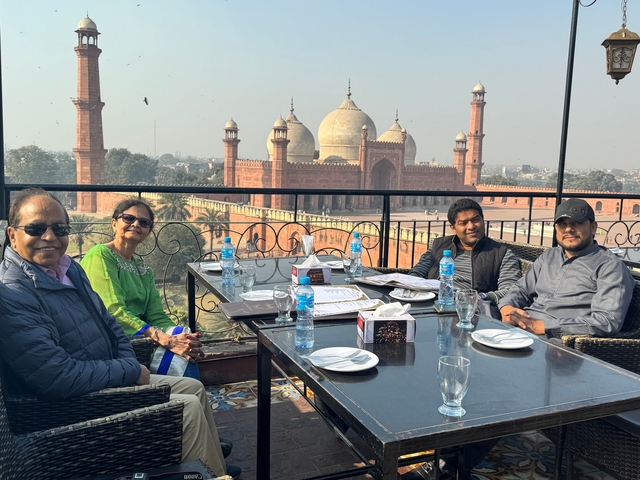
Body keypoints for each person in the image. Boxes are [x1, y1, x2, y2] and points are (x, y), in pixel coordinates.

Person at [0, 188, 239, 479]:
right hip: (79, 396)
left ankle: (211, 467)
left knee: (194, 389)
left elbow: (109, 322)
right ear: (13, 235)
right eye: (36, 228)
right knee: (186, 406)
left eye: (59, 228)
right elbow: (56, 375)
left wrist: (177, 336)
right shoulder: (13, 292)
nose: (49, 237)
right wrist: (132, 364)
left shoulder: (70, 270)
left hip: (111, 367)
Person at [80, 199, 203, 377]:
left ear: (148, 232)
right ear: (114, 223)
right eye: (129, 218)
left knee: (184, 342)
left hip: (140, 338)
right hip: (109, 338)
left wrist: (179, 339)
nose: (136, 224)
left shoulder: (143, 269)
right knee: (178, 354)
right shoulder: (101, 255)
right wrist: (164, 338)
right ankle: (179, 396)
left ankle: (178, 397)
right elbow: (113, 311)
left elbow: (156, 315)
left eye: (144, 222)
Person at [499, 198, 635, 337]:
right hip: (522, 328)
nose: (569, 229)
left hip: (558, 343)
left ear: (593, 227)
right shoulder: (549, 256)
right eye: (562, 224)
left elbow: (607, 321)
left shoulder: (609, 266)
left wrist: (543, 326)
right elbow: (521, 289)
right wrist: (507, 307)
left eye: (577, 223)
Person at [409, 198, 521, 318]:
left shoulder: (501, 254)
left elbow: (511, 291)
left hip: (471, 314)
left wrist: (480, 297)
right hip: (432, 308)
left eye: (476, 220)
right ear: (453, 227)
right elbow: (417, 273)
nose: (471, 226)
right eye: (463, 223)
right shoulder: (439, 246)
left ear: (483, 221)